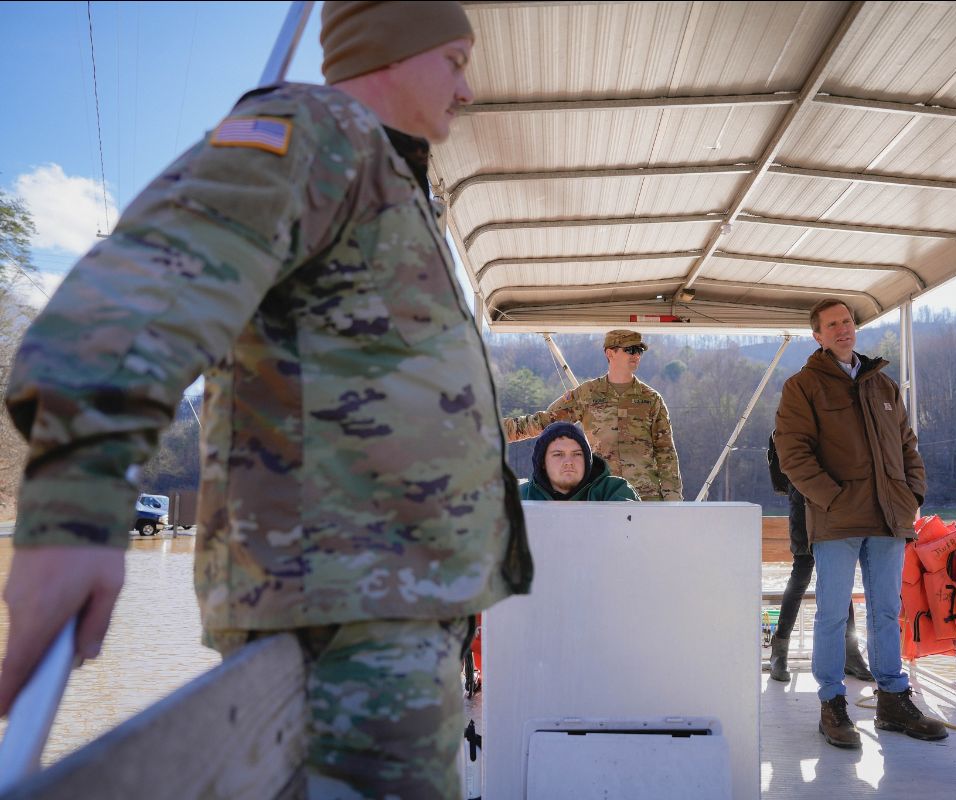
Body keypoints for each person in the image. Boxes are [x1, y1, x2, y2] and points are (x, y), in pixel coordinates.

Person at [0, 3, 533, 797]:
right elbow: (146, 284)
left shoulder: (390, 178)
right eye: (454, 60)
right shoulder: (319, 130)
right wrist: (77, 508)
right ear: (394, 49)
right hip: (343, 614)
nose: (465, 89)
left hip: (390, 609)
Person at [774, 298, 946, 749]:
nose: (842, 329)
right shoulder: (803, 386)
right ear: (818, 335)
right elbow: (793, 455)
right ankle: (832, 705)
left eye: (847, 322)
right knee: (832, 615)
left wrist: (913, 495)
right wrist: (832, 498)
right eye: (831, 325)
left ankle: (892, 698)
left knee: (887, 611)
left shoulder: (883, 386)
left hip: (890, 517)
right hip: (835, 521)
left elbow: (909, 446)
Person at [505, 329, 684, 501]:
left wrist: (673, 501)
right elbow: (544, 422)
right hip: (602, 497)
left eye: (639, 351)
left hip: (646, 499)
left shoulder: (651, 399)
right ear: (610, 353)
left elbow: (666, 453)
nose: (636, 355)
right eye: (630, 350)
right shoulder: (588, 394)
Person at [765, 433, 872, 684]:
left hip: (833, 505)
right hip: (803, 503)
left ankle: (850, 652)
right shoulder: (789, 420)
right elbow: (783, 467)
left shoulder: (829, 418)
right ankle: (779, 653)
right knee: (801, 573)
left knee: (838, 574)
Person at [520, 421, 639, 501]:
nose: (568, 462)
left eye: (577, 454)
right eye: (558, 454)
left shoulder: (614, 491)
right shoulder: (519, 497)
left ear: (588, 461)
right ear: (543, 462)